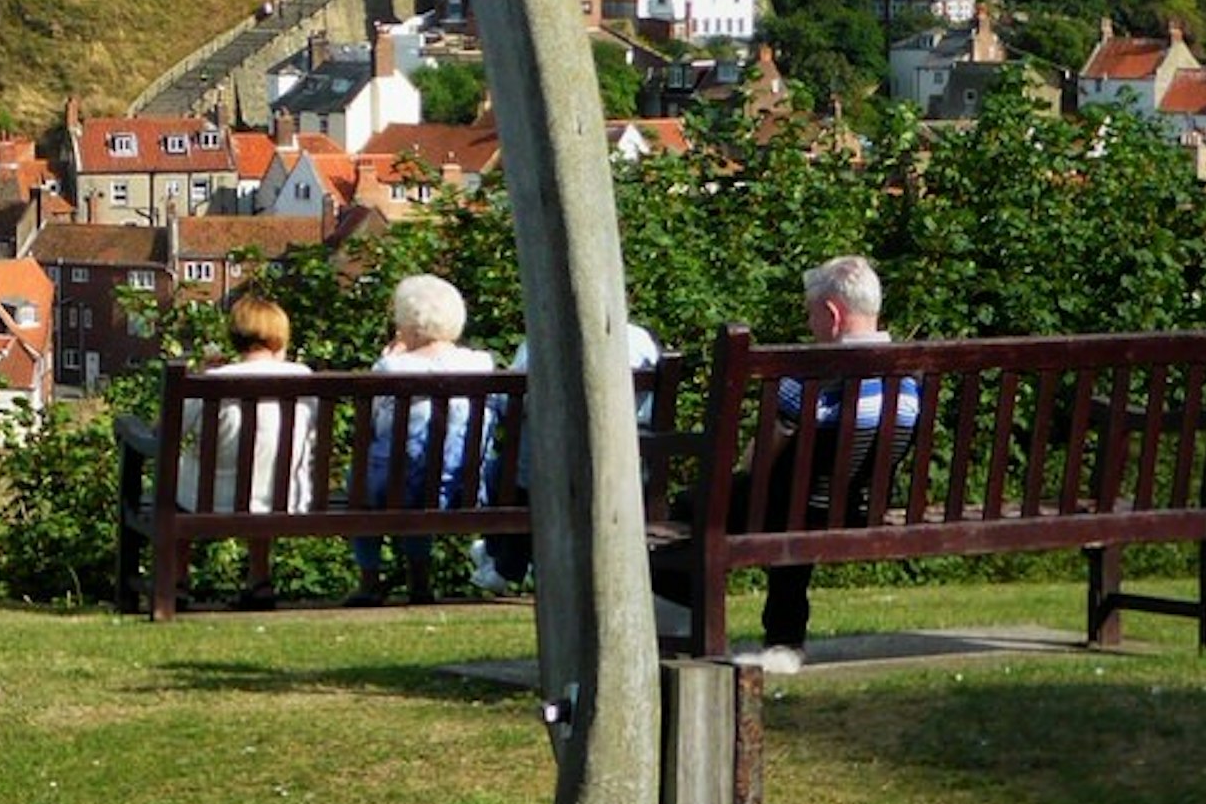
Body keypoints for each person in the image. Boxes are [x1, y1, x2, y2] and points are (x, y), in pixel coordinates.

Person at [710, 254, 921, 675]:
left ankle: (688, 636)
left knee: (691, 509)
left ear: (832, 313)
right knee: (795, 504)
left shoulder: (808, 378)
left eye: (811, 315)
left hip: (794, 511)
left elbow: (758, 460)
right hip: (862, 509)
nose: (810, 325)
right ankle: (782, 642)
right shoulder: (911, 380)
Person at [473, 313, 663, 600]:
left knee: (505, 471)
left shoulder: (540, 340)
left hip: (547, 472)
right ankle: (503, 562)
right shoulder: (640, 341)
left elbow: (509, 404)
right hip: (628, 469)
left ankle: (502, 562)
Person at [349, 274, 492, 606]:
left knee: (365, 482)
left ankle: (369, 580)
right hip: (460, 486)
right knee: (420, 474)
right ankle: (420, 579)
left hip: (397, 487)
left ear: (408, 325)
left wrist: (389, 357)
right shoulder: (479, 365)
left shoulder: (391, 368)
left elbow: (372, 420)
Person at [176, 293, 315, 607]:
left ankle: (177, 581)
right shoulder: (303, 378)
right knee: (264, 468)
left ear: (234, 336)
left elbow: (166, 433)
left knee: (178, 479)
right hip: (284, 496)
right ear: (280, 338)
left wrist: (200, 374)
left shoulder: (211, 381)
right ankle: (260, 578)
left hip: (208, 500)